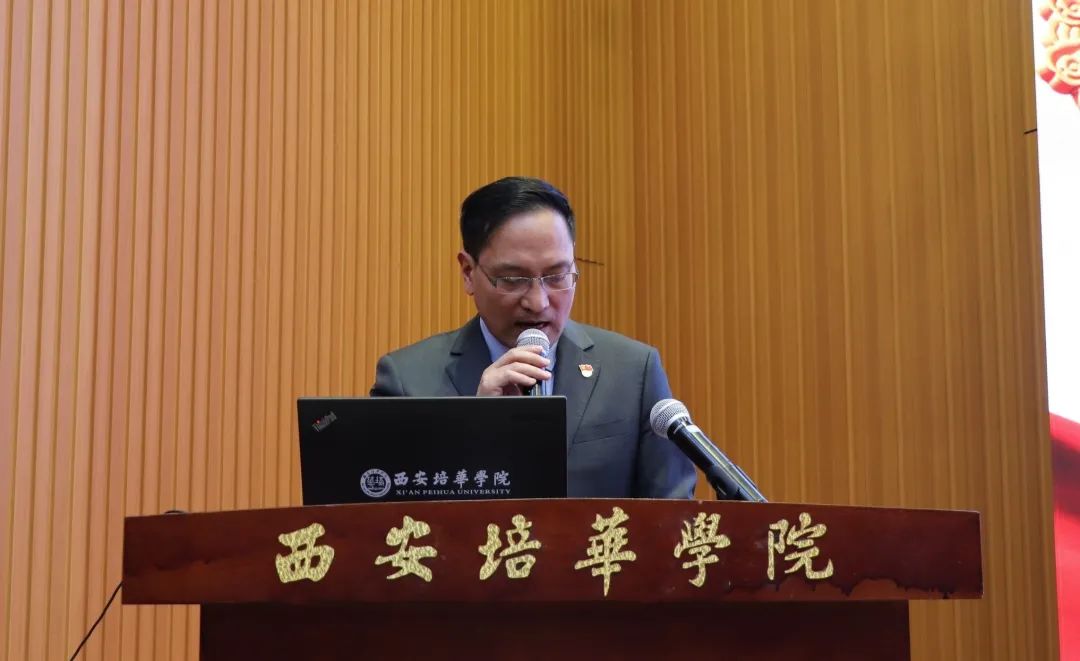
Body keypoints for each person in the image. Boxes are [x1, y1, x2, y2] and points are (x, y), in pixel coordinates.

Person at [370, 176, 695, 498]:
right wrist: (474, 428)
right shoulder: (407, 382)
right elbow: (385, 515)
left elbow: (674, 514)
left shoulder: (633, 371)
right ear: (468, 272)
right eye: (513, 279)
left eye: (557, 275)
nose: (538, 302)